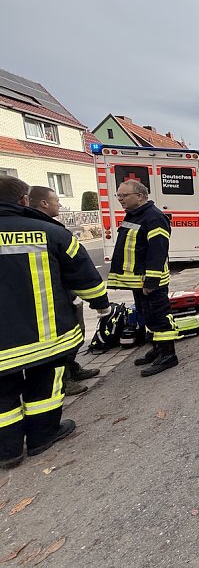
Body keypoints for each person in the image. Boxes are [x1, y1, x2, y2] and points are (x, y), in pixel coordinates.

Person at [0, 175, 111, 469]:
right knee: (44, 387)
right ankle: (41, 437)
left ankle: (8, 450)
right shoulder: (50, 232)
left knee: (2, 397)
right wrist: (101, 304)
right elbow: (85, 275)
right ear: (23, 200)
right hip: (44, 335)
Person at [28, 186, 99, 395]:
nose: (59, 204)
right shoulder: (46, 229)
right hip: (49, 298)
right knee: (59, 341)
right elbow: (79, 266)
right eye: (56, 200)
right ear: (43, 203)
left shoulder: (47, 226)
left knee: (74, 334)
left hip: (61, 294)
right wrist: (99, 302)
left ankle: (71, 368)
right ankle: (63, 379)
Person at [107, 180, 178, 376]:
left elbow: (157, 251)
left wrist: (151, 282)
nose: (120, 199)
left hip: (150, 281)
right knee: (147, 316)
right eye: (118, 195)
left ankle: (168, 355)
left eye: (124, 195)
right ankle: (157, 349)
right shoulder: (135, 216)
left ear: (140, 196)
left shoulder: (153, 218)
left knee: (159, 318)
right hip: (138, 280)